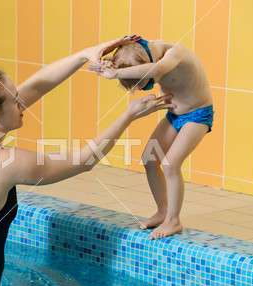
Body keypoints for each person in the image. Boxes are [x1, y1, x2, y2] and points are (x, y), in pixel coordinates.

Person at [0, 37, 176, 286]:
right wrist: (128, 115)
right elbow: (85, 160)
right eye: (15, 101)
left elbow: (37, 85)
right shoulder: (4, 163)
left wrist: (84, 54)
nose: (22, 103)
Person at [89, 35, 214, 240]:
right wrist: (105, 63)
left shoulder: (176, 53)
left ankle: (174, 220)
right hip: (174, 115)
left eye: (145, 85)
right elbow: (125, 61)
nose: (141, 89)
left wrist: (116, 73)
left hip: (198, 114)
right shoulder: (142, 54)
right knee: (150, 158)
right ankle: (162, 212)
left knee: (170, 164)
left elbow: (156, 71)